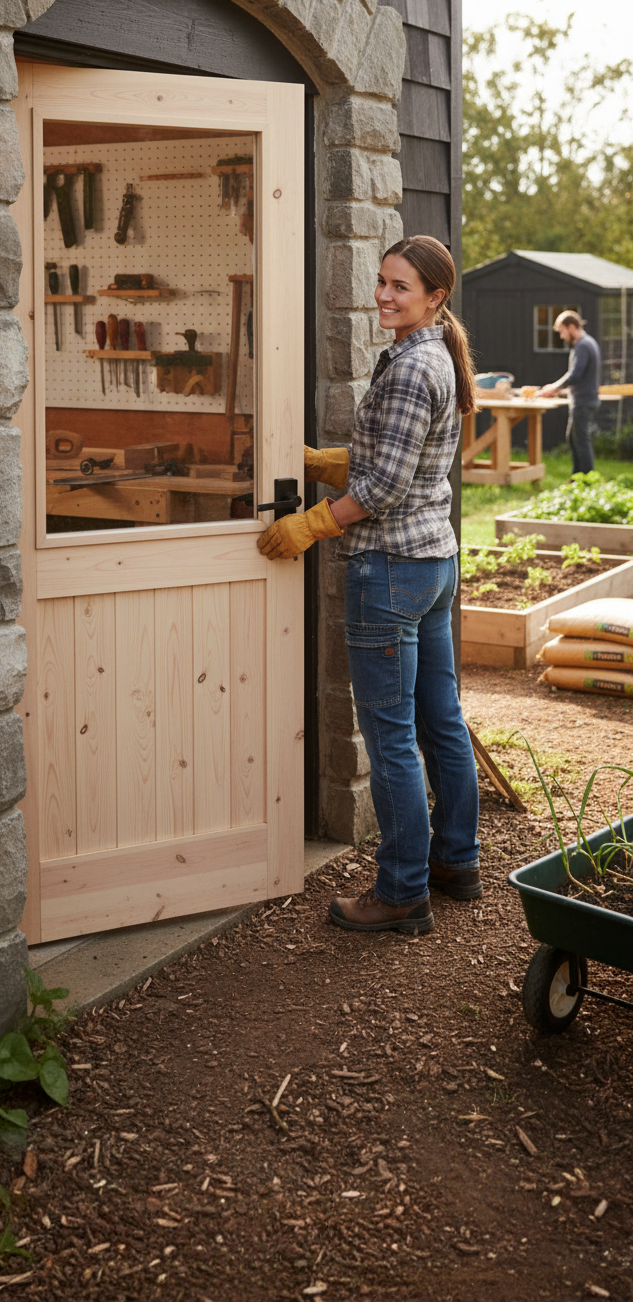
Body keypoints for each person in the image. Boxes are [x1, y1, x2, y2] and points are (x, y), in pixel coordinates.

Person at [257, 235, 481, 937]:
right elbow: (399, 462)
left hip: (389, 571)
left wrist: (310, 524)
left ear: (435, 296)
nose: (383, 295)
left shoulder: (414, 366)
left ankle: (402, 892)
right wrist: (330, 463)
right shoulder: (433, 351)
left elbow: (383, 486)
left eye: (400, 286)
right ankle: (455, 862)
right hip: (432, 565)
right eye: (382, 281)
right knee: (440, 724)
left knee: (389, 740)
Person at [539, 311, 601, 474]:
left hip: (583, 402)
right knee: (574, 440)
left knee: (581, 441)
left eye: (562, 331)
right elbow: (581, 378)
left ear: (571, 327)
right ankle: (578, 478)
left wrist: (553, 387)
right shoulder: (587, 343)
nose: (561, 336)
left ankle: (587, 481)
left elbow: (575, 374)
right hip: (583, 400)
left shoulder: (583, 345)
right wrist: (560, 390)